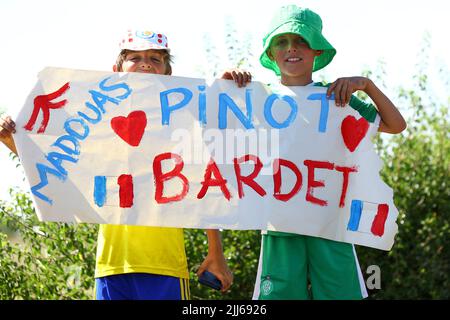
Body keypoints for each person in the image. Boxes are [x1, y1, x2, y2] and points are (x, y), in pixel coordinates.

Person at [0, 29, 251, 300]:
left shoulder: (183, 124)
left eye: (156, 58)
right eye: (135, 57)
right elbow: (64, 169)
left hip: (165, 264)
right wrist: (14, 142)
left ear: (168, 72)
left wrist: (216, 252)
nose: (145, 63)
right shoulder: (98, 127)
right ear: (116, 69)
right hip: (111, 264)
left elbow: (205, 183)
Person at [252, 5, 407, 300]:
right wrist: (226, 82)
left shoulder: (338, 97)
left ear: (318, 52)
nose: (291, 49)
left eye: (301, 41)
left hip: (331, 225)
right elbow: (211, 128)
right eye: (281, 42)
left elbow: (395, 125)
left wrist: (367, 85)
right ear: (271, 54)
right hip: (279, 225)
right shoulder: (257, 97)